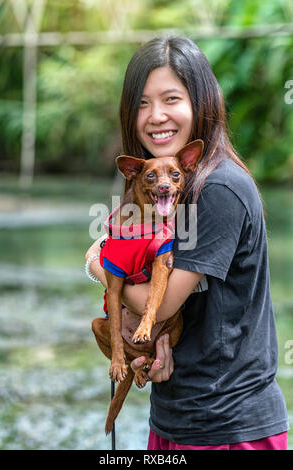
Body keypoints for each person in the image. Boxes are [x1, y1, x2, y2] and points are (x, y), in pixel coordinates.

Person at [86, 36, 289, 450]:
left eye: (171, 98)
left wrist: (94, 262)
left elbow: (159, 303)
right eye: (142, 103)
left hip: (228, 424)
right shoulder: (160, 189)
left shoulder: (219, 188)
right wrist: (150, 353)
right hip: (176, 414)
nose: (155, 116)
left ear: (202, 101)